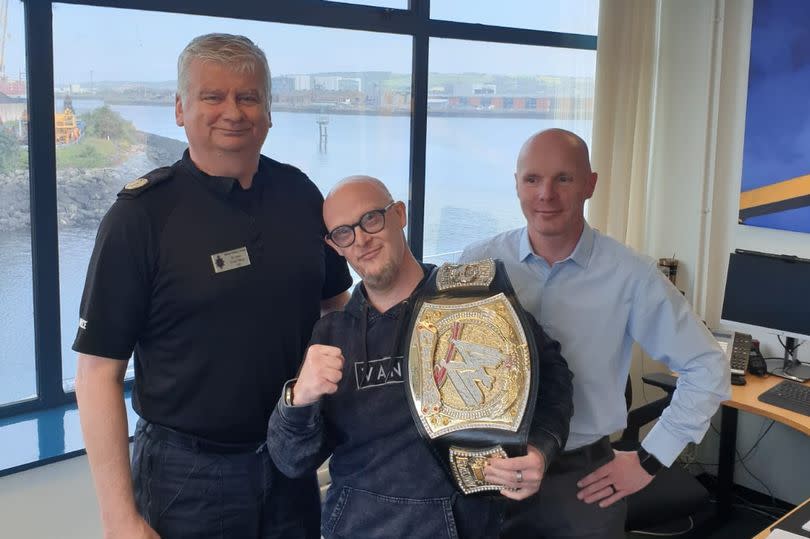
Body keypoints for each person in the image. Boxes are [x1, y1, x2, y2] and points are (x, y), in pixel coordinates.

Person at [73, 33, 351, 539]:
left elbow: (336, 306)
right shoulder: (140, 218)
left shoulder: (301, 195)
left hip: (290, 458)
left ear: (269, 112)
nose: (234, 112)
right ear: (180, 109)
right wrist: (119, 517)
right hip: (187, 475)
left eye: (249, 97)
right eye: (212, 96)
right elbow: (96, 375)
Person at [267, 176, 574, 539]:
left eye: (371, 219)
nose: (362, 239)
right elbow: (291, 460)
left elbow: (553, 378)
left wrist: (541, 448)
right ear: (335, 247)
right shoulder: (332, 335)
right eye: (344, 233)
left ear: (399, 214)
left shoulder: (473, 298)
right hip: (356, 526)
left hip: (462, 524)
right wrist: (298, 398)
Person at [461, 128, 731, 538]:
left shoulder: (630, 275)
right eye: (532, 179)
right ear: (516, 184)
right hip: (488, 470)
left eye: (563, 179)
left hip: (581, 479)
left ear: (590, 184)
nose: (545, 194)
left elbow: (708, 366)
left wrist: (650, 458)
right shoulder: (479, 262)